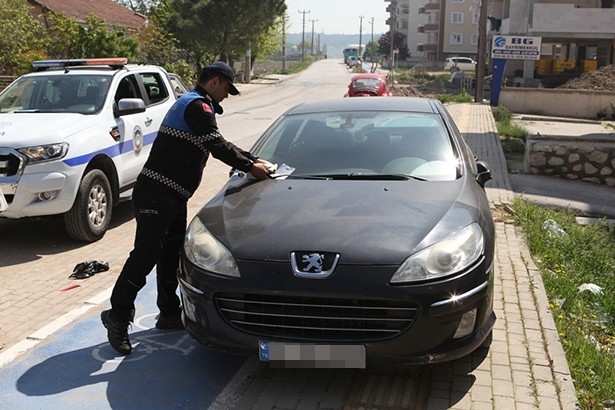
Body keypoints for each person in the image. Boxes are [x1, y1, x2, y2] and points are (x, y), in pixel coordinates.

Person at [101, 61, 273, 355]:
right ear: (216, 81)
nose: (227, 97)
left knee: (170, 254)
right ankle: (117, 316)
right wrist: (249, 166)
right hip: (156, 193)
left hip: (173, 195)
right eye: (227, 90)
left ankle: (168, 312)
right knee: (145, 257)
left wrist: (254, 159)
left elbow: (220, 142)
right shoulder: (196, 106)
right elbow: (218, 146)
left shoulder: (197, 105)